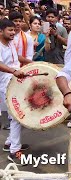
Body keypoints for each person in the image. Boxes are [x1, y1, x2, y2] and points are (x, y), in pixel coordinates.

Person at [0, 19, 29, 165]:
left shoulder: (10, 43)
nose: (13, 32)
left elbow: (16, 58)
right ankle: (14, 151)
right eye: (10, 30)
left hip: (15, 81)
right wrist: (13, 71)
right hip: (5, 84)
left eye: (14, 30)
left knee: (18, 115)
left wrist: (31, 63)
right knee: (17, 116)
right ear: (1, 31)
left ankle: (9, 143)